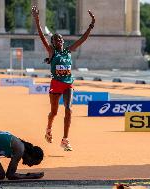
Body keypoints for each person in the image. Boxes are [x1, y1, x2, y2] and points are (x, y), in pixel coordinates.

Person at [31, 6, 95, 151]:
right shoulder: (52, 51)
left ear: (63, 41)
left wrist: (91, 25)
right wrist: (37, 21)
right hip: (56, 84)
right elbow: (41, 36)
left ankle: (65, 139)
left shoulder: (68, 51)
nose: (58, 40)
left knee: (69, 109)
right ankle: (48, 129)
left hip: (67, 83)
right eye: (55, 39)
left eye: (60, 39)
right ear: (53, 43)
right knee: (54, 112)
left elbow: (82, 40)